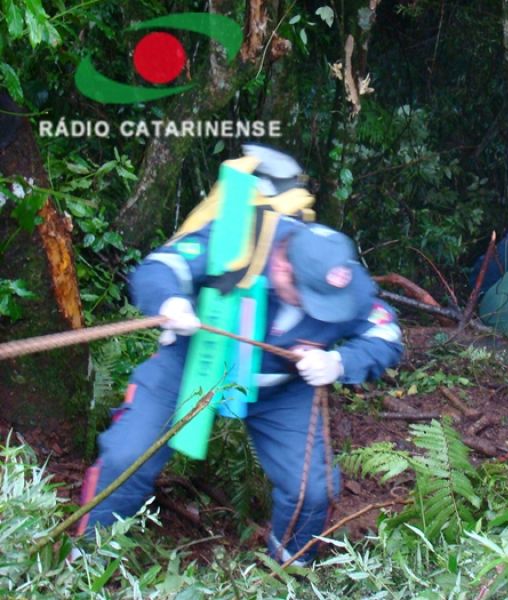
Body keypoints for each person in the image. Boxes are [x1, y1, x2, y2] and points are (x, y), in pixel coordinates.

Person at [76, 147, 404, 566]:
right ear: (282, 267)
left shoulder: (343, 280)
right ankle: (87, 561)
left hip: (280, 388)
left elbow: (385, 333)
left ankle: (289, 572)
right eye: (309, 298)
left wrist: (340, 363)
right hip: (192, 363)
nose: (320, 311)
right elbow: (161, 267)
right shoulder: (236, 239)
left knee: (312, 491)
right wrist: (171, 302)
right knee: (126, 457)